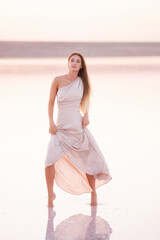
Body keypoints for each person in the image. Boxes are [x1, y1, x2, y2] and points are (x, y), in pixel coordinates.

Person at [44, 52, 112, 208]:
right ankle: (50, 195)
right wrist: (51, 122)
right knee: (49, 162)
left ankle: (93, 192)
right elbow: (50, 103)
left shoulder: (83, 82)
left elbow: (86, 101)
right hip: (60, 129)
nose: (74, 63)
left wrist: (86, 115)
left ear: (81, 66)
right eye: (72, 60)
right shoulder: (57, 80)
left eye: (77, 61)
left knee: (87, 162)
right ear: (68, 63)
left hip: (77, 129)